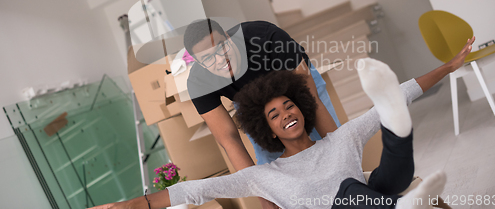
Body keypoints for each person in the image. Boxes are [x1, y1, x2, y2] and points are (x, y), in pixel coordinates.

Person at [181, 19, 473, 209]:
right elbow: (229, 138)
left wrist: (340, 156)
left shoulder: (263, 35)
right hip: (256, 109)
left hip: (297, 88)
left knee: (334, 156)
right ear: (197, 62)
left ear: (229, 37)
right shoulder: (198, 82)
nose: (221, 58)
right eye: (209, 58)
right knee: (278, 182)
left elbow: (308, 95)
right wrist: (266, 201)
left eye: (222, 46)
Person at [89, 58, 449, 209]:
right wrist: (131, 204)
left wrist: (450, 66)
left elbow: (400, 93)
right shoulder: (263, 176)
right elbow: (196, 190)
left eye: (289, 106)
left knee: (382, 142)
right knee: (350, 190)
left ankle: (399, 158)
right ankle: (400, 205)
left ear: (302, 109)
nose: (285, 114)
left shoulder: (340, 140)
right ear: (268, 131)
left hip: (365, 199)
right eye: (274, 114)